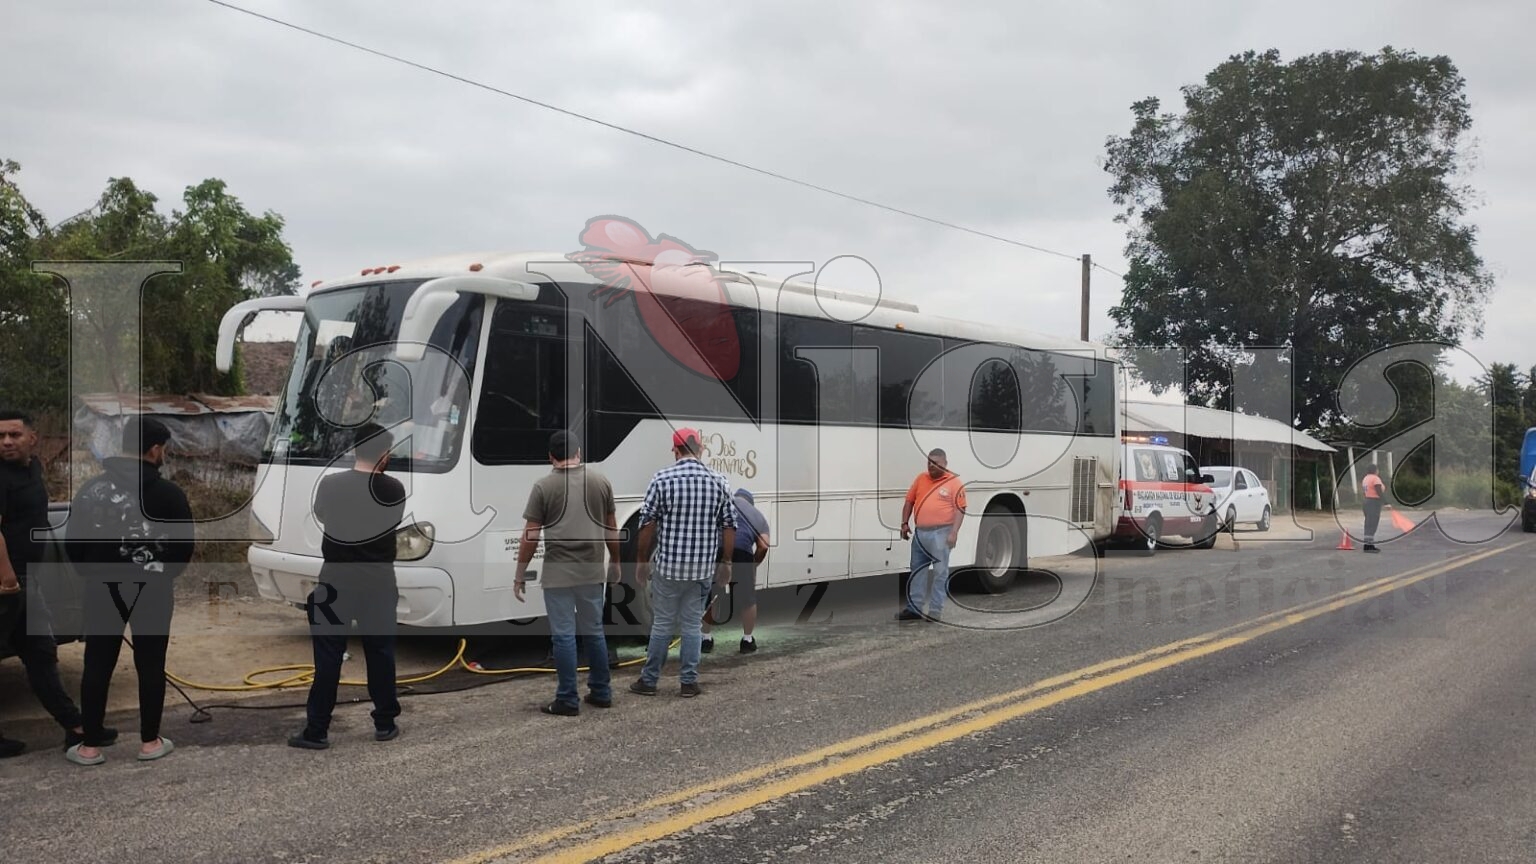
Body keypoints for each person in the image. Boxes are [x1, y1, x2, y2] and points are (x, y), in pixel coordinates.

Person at [64, 416, 194, 766]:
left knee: (98, 663)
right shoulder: (169, 494)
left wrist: (94, 574)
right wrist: (161, 576)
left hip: (102, 588)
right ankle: (150, 742)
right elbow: (183, 550)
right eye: (164, 449)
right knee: (151, 663)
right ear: (155, 449)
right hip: (152, 591)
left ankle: (90, 746)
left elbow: (73, 545)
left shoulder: (92, 491)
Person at [289, 423, 407, 750]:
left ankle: (317, 730)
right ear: (384, 455)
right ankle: (385, 722)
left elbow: (322, 514)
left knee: (328, 656)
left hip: (335, 581)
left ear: (354, 449)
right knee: (380, 653)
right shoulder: (394, 490)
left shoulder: (330, 485)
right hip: (379, 583)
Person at [0, 410, 95, 758]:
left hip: (28, 579)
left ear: (32, 438)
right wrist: (8, 577)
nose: (7, 442)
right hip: (9, 584)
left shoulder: (32, 469)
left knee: (40, 653)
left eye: (13, 435)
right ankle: (75, 725)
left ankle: (76, 726)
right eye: (0, 437)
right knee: (38, 651)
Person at [514, 431, 619, 716]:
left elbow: (531, 536)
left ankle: (567, 699)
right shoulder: (600, 482)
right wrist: (617, 562)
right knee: (594, 632)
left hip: (558, 574)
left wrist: (519, 573)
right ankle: (601, 692)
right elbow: (612, 528)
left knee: (563, 637)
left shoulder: (543, 487)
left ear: (550, 457)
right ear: (579, 452)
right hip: (592, 571)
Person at [630, 428, 735, 698]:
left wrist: (641, 560)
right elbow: (729, 526)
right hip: (701, 569)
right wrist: (726, 562)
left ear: (675, 451)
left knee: (662, 624)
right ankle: (688, 682)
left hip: (668, 568)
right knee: (691, 626)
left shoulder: (662, 479)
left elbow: (647, 524)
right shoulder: (719, 481)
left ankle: (649, 681)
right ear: (700, 449)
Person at [898, 448, 967, 621]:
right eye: (929, 462)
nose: (931, 466)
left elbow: (960, 509)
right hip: (921, 533)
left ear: (945, 464)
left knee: (939, 572)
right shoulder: (921, 479)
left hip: (941, 533)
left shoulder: (954, 482)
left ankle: (935, 611)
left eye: (936, 463)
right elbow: (909, 501)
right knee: (917, 571)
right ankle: (914, 608)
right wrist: (905, 523)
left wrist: (954, 532)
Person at [701, 488, 769, 655]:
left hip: (718, 551)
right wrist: (752, 564)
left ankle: (705, 639)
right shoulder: (757, 515)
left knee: (712, 596)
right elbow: (763, 546)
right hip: (742, 553)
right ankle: (747, 640)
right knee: (747, 599)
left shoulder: (721, 505)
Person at [1361, 463, 1385, 553]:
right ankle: (1368, 546)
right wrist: (1385, 502)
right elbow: (1378, 490)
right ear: (1375, 470)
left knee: (1368, 524)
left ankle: (1368, 544)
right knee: (1372, 525)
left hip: (1366, 501)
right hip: (1374, 503)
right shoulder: (1375, 478)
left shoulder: (1366, 478)